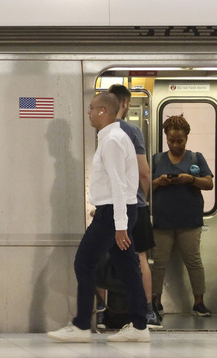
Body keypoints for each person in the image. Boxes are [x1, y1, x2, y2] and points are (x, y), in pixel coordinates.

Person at [47, 92, 149, 342]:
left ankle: (81, 325)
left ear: (103, 111)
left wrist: (120, 225)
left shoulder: (112, 140)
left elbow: (119, 184)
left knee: (84, 262)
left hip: (114, 213)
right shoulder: (113, 137)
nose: (89, 112)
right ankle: (140, 326)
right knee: (128, 269)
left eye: (91, 108)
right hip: (116, 211)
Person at [95, 84, 162, 329]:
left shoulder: (101, 130)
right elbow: (144, 172)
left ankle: (101, 310)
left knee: (100, 255)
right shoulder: (132, 132)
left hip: (107, 205)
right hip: (134, 205)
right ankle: (145, 311)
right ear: (125, 103)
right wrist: (141, 201)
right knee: (140, 256)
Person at [150, 115, 214, 317]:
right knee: (159, 263)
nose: (175, 145)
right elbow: (144, 187)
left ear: (187, 138)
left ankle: (199, 302)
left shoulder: (196, 158)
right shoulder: (157, 159)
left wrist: (191, 179)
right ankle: (155, 301)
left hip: (189, 221)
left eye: (180, 141)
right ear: (166, 138)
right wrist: (159, 181)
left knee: (193, 261)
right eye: (171, 141)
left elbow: (209, 184)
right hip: (162, 221)